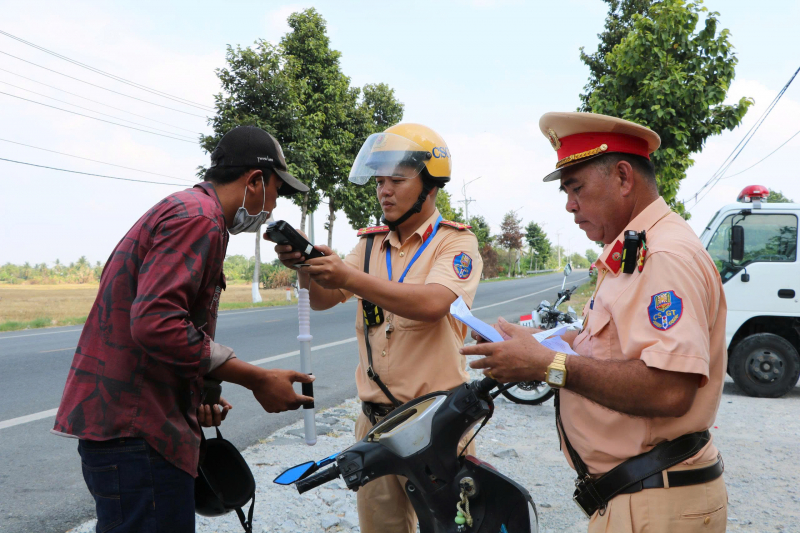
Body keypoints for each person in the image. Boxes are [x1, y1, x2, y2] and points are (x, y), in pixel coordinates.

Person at [463, 112, 728, 532]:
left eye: (577, 188)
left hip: (657, 505)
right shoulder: (633, 250)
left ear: (623, 177)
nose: (569, 204)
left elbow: (670, 389)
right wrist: (538, 340)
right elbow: (611, 344)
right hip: (640, 495)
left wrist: (545, 364)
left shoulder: (663, 257)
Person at [52, 126, 315, 533]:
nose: (275, 203)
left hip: (134, 425)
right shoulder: (199, 219)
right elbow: (157, 323)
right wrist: (257, 379)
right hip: (138, 433)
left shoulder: (185, 210)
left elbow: (168, 326)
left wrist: (200, 393)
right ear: (255, 181)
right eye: (277, 189)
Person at [274, 123, 483, 533]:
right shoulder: (369, 244)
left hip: (439, 424)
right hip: (375, 425)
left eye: (397, 180)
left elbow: (432, 304)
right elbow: (323, 298)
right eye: (379, 181)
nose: (384, 190)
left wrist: (348, 277)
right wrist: (308, 266)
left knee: (450, 525)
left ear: (430, 185)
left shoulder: (455, 244)